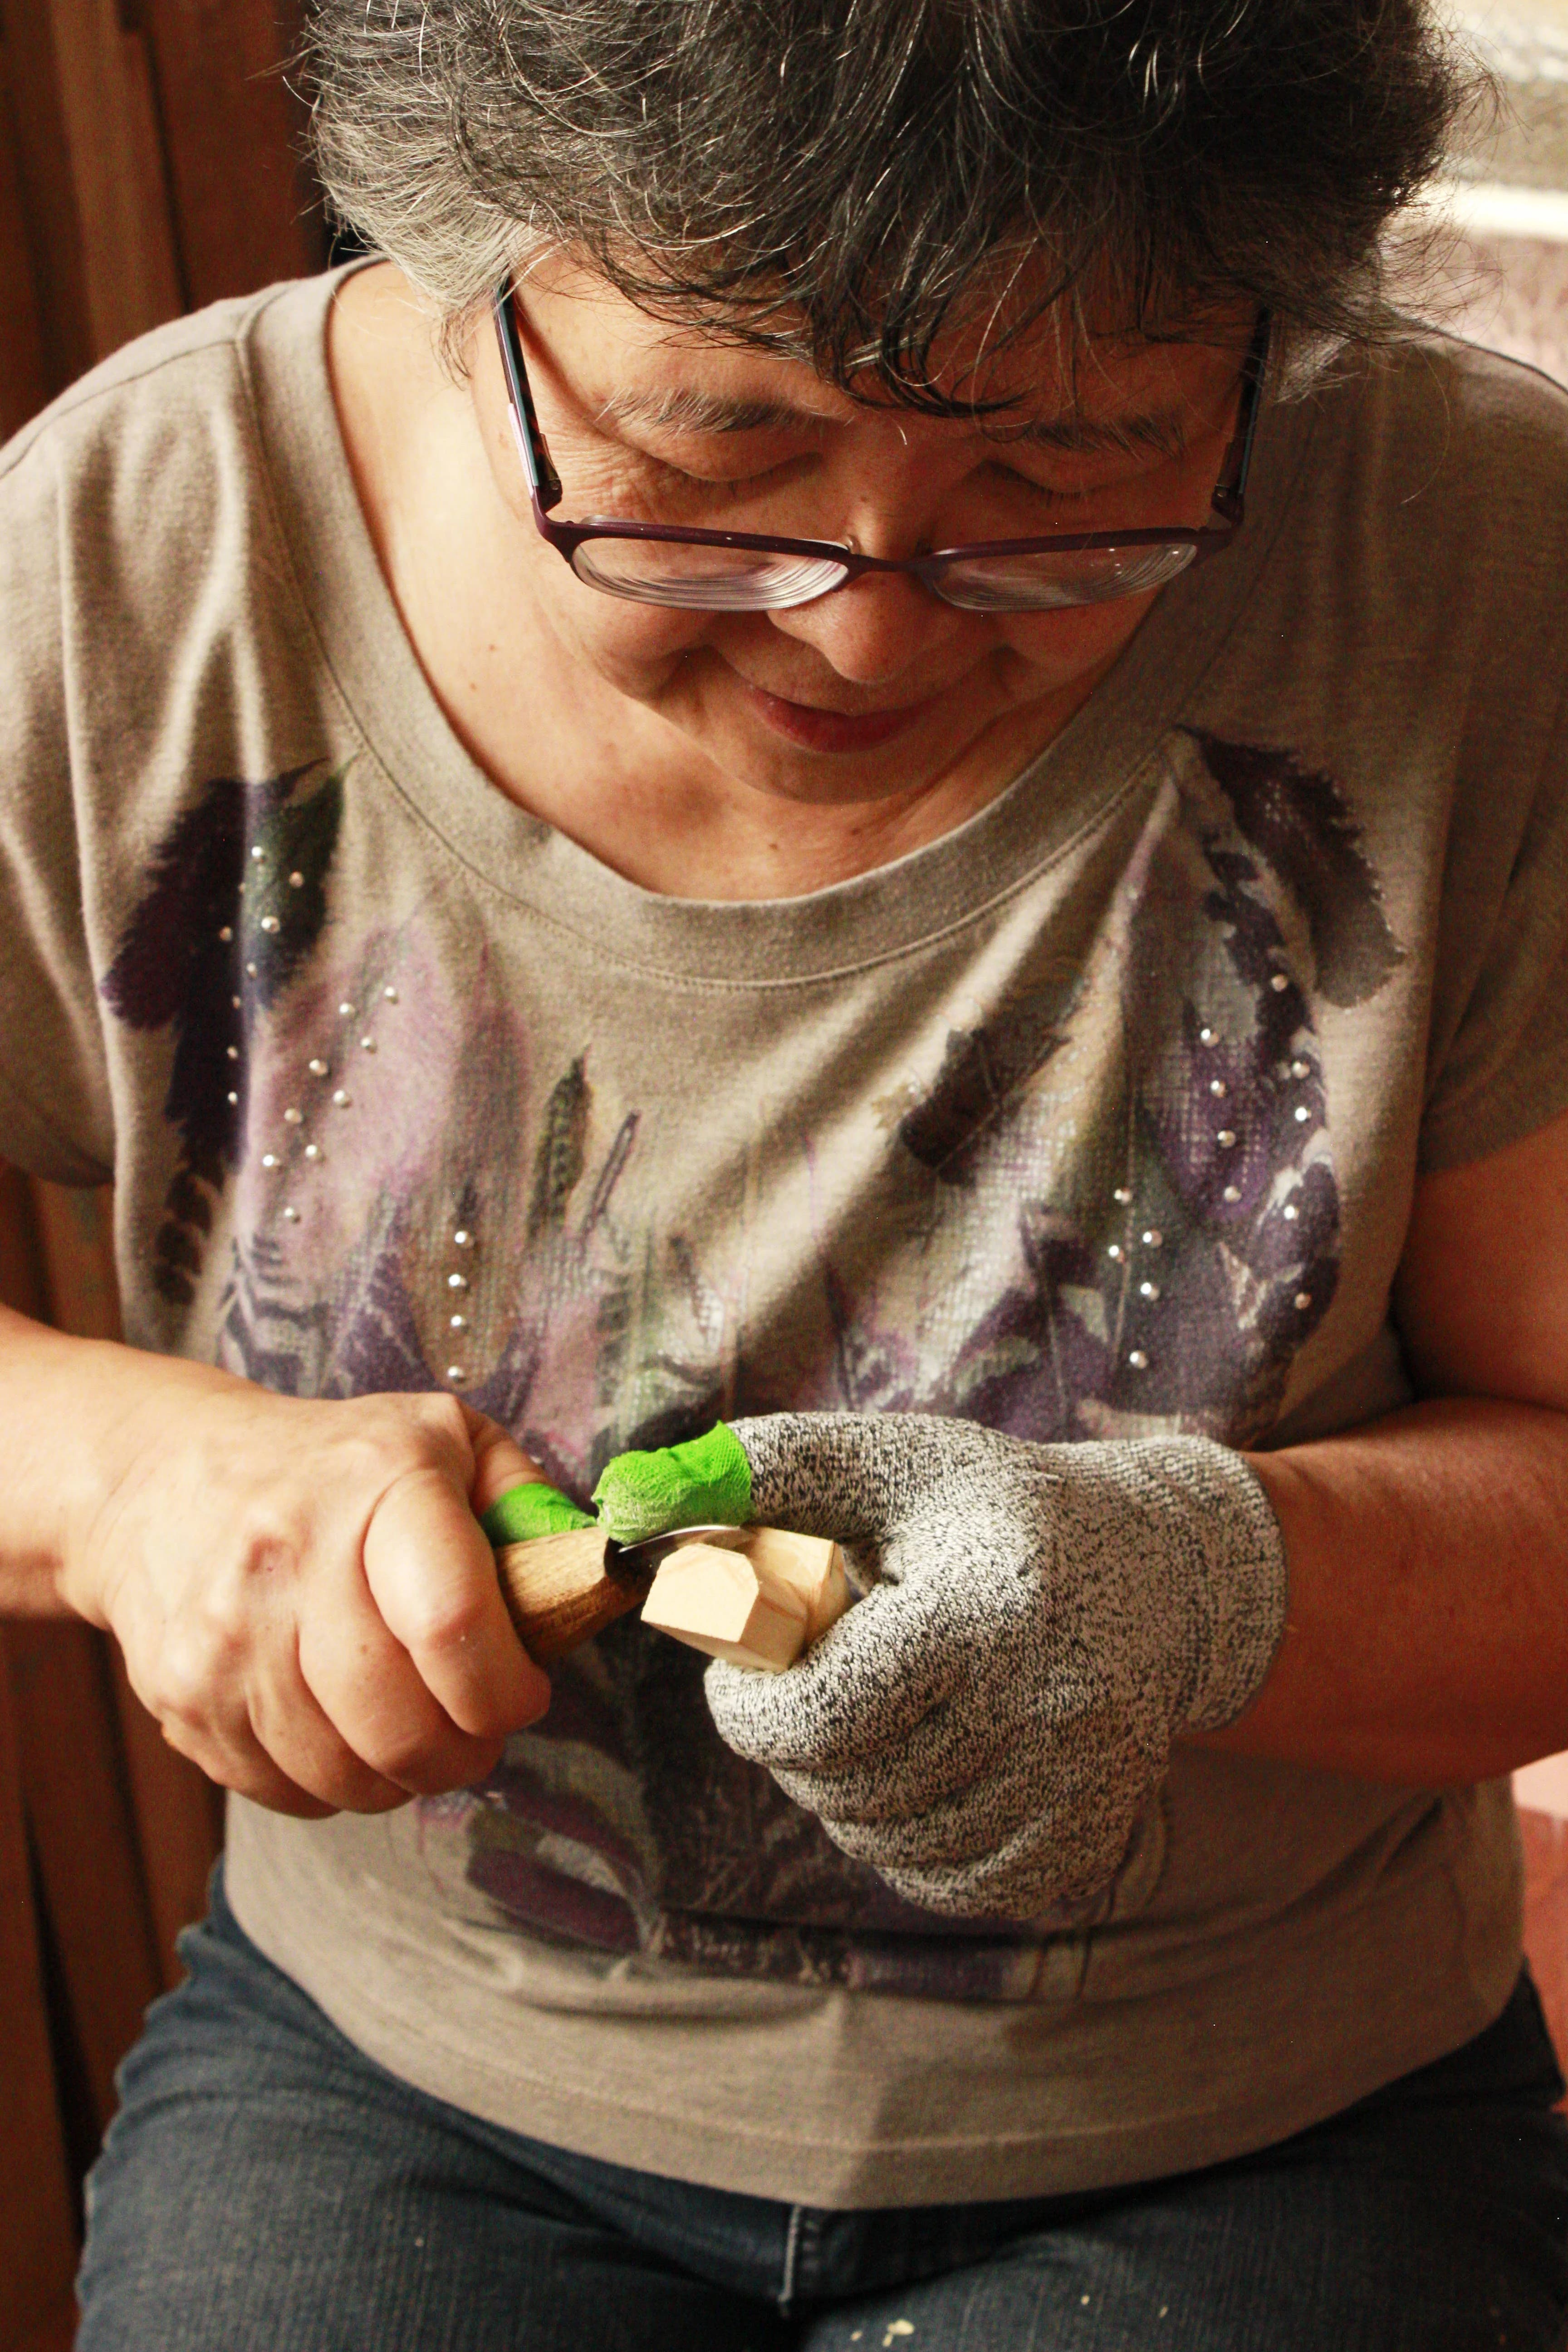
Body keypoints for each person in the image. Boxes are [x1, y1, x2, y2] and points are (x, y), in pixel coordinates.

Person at [3, 0, 1568, 2341]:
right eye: (712, 451)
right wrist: (122, 1480)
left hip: (1261, 2095)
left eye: (1073, 478)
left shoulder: (1474, 555)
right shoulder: (139, 552)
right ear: (468, 270)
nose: (864, 620)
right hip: (404, 2067)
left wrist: (1194, 1588)